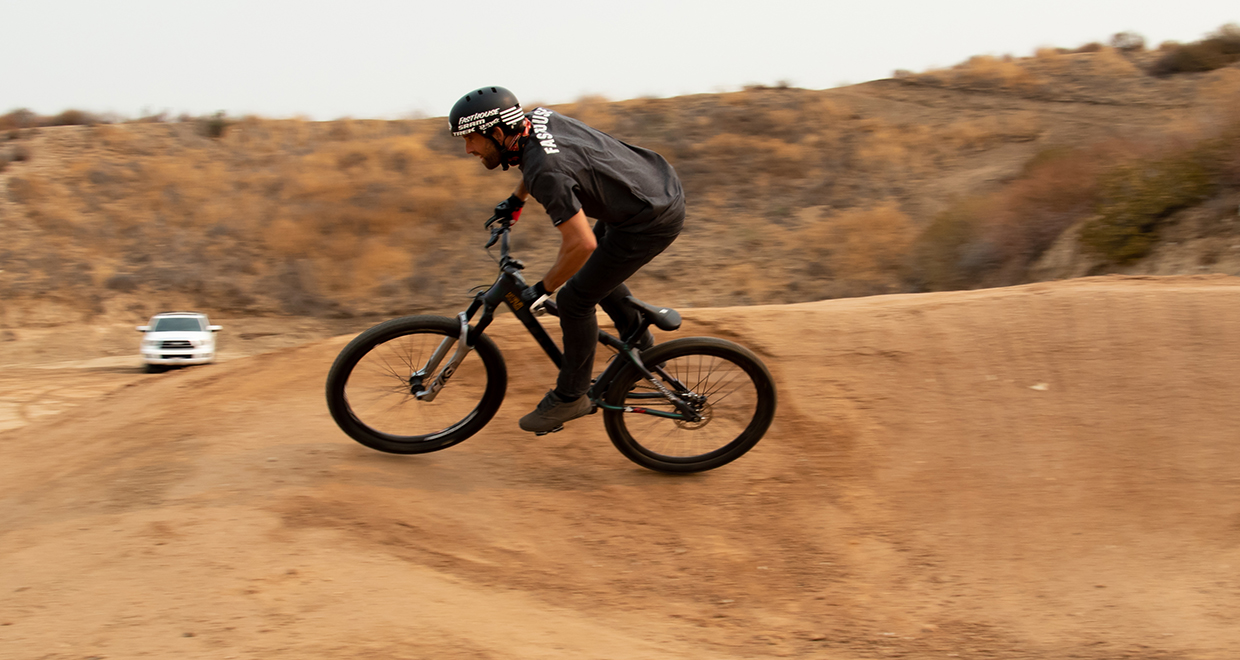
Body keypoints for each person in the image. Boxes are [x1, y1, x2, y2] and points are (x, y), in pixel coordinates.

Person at [449, 86, 685, 434]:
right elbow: (542, 158)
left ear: (498, 133)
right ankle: (638, 342)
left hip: (649, 220)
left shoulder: (545, 171)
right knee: (596, 276)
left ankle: (571, 395)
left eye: (472, 139)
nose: (468, 149)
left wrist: (542, 289)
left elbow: (581, 243)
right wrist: (516, 200)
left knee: (574, 299)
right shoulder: (536, 119)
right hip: (649, 184)